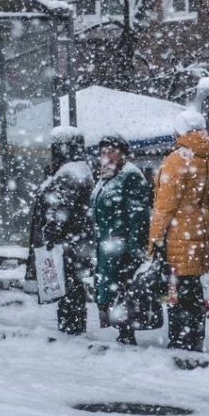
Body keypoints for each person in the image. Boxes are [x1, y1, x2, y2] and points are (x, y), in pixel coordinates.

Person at [149, 110, 209, 352]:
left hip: (177, 237)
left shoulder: (177, 159)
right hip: (199, 236)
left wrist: (154, 240)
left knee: (175, 293)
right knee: (193, 291)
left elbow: (164, 208)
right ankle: (196, 339)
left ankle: (179, 341)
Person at [30, 126, 94, 334]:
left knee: (68, 286)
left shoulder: (69, 173)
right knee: (72, 284)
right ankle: (73, 322)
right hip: (77, 241)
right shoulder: (81, 169)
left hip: (67, 243)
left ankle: (71, 325)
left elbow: (59, 210)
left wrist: (50, 233)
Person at [90, 134, 151, 345]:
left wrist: (135, 252)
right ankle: (122, 331)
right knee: (112, 290)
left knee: (123, 291)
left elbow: (139, 216)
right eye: (103, 151)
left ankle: (127, 333)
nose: (106, 155)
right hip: (107, 246)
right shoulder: (106, 176)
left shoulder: (130, 176)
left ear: (123, 153)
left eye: (112, 150)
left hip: (122, 247)